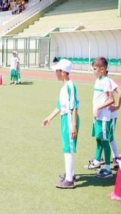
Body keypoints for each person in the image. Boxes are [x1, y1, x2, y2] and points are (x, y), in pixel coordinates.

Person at [42, 59, 79, 189]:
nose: (55, 73)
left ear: (63, 72)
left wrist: (73, 124)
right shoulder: (64, 88)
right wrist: (49, 118)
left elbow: (74, 106)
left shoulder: (70, 86)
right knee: (66, 148)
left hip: (69, 119)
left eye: (57, 71)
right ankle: (71, 174)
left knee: (67, 149)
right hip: (65, 119)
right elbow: (59, 106)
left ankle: (69, 180)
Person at [85, 57, 114, 178]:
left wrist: (98, 108)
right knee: (98, 139)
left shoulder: (106, 81)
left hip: (103, 118)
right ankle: (97, 161)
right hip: (97, 117)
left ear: (102, 69)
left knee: (105, 141)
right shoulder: (98, 80)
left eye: (95, 69)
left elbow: (112, 99)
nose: (93, 71)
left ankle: (108, 168)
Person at [106, 67, 121, 168]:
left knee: (110, 136)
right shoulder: (101, 82)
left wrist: (117, 106)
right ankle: (105, 157)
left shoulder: (109, 81)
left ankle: (116, 157)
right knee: (104, 137)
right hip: (104, 115)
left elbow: (120, 92)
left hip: (111, 115)